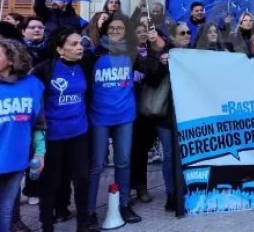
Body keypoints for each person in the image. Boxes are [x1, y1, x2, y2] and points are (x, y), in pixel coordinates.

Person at [87, 14, 145, 229]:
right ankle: (90, 211)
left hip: (125, 116)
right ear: (105, 30)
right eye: (112, 27)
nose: (115, 31)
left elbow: (152, 68)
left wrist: (157, 48)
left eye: (120, 28)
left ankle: (123, 204)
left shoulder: (131, 54)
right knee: (96, 165)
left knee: (123, 161)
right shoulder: (93, 55)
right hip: (99, 116)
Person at [32, 29, 91, 232]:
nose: (79, 47)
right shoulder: (44, 70)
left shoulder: (85, 65)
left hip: (80, 133)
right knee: (51, 182)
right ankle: (47, 225)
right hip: (53, 136)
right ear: (59, 49)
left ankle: (83, 224)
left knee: (82, 179)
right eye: (73, 44)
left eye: (80, 43)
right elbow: (34, 102)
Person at [131, 23, 179, 212]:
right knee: (140, 150)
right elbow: (149, 73)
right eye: (140, 31)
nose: (145, 34)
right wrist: (157, 58)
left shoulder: (168, 52)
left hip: (160, 109)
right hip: (142, 109)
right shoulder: (132, 53)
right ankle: (139, 186)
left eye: (149, 32)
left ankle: (173, 191)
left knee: (166, 152)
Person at [0, 39, 45, 232]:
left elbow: (40, 123)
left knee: (7, 209)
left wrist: (40, 153)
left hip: (15, 159)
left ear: (11, 59)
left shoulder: (33, 85)